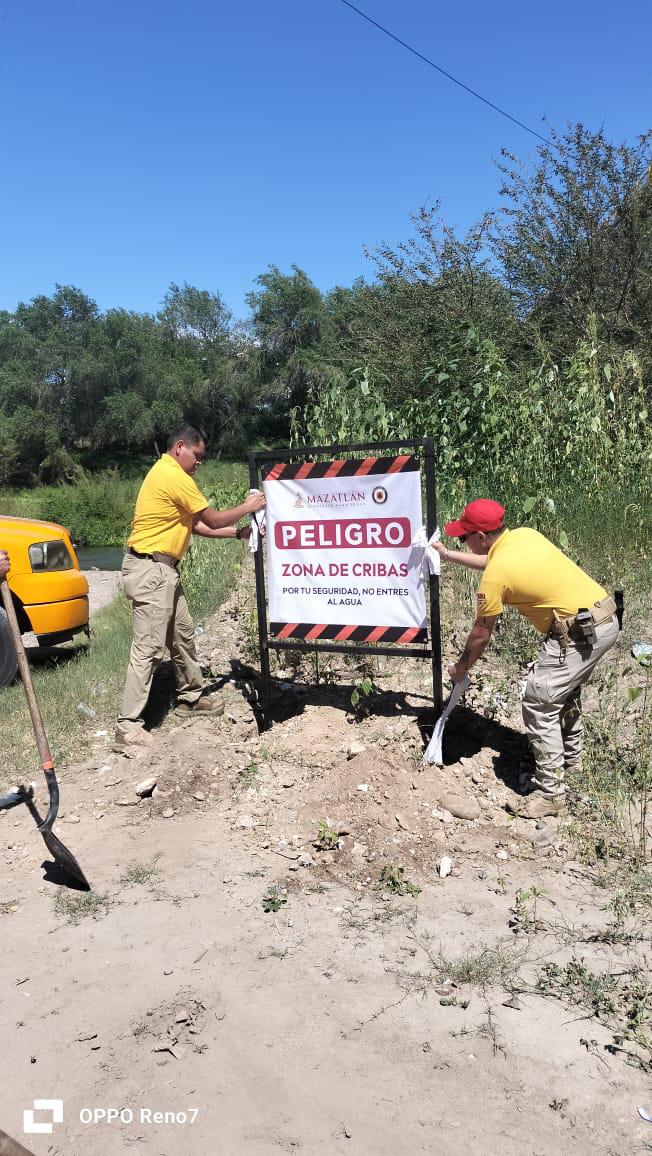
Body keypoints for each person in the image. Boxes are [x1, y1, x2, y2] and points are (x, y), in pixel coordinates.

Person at [436, 499, 619, 819]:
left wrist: (461, 667)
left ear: (481, 536)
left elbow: (481, 633)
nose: (461, 541)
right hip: (604, 620)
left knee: (539, 700)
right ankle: (572, 761)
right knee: (565, 693)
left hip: (577, 632)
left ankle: (552, 794)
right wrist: (450, 556)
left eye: (463, 537)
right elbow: (496, 563)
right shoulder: (524, 536)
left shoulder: (496, 575)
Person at [114, 423, 266, 752]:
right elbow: (211, 519)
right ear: (180, 447)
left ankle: (190, 698)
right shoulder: (173, 475)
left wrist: (238, 533)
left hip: (162, 571)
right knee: (149, 649)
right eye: (197, 456)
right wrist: (249, 508)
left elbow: (195, 526)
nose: (199, 463)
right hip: (151, 571)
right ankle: (127, 727)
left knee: (182, 635)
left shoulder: (168, 475)